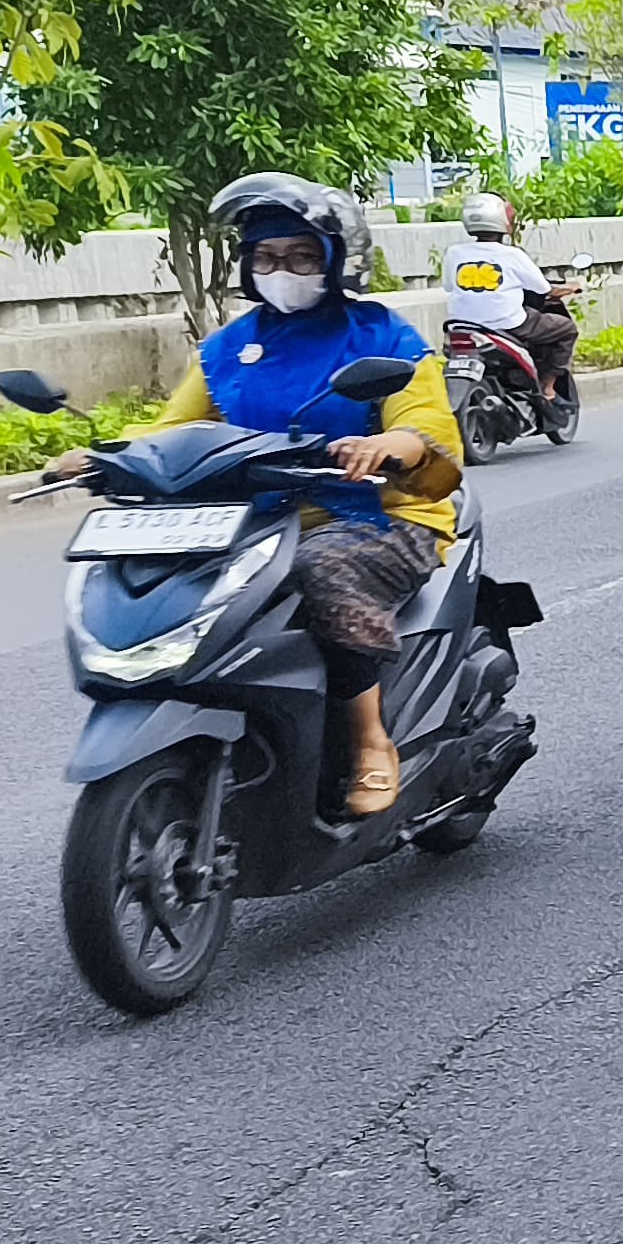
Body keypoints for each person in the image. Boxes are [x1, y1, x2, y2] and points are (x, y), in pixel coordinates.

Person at [50, 174, 464, 818]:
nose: (282, 270)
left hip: (375, 516)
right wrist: (102, 456)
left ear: (335, 260)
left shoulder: (383, 338)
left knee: (324, 572)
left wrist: (389, 446)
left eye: (300, 256)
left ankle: (369, 741)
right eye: (266, 257)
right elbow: (173, 430)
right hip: (250, 521)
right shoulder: (227, 350)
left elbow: (427, 429)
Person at [443, 192, 580, 418]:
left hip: (461, 326)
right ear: (502, 221)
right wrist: (571, 287)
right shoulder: (512, 255)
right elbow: (544, 290)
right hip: (508, 324)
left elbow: (449, 286)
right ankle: (547, 387)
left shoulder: (454, 253)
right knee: (566, 329)